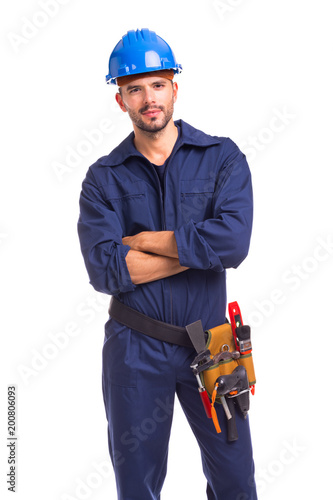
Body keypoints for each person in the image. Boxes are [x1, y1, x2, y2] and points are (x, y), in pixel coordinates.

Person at [77, 28, 257, 500]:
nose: (148, 98)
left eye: (157, 84)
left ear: (175, 88)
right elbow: (106, 270)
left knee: (237, 482)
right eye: (134, 88)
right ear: (121, 101)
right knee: (136, 486)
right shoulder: (102, 178)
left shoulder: (222, 159)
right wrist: (197, 251)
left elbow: (235, 243)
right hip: (134, 348)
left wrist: (149, 244)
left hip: (213, 345)